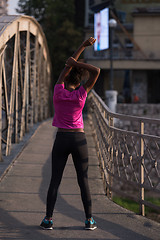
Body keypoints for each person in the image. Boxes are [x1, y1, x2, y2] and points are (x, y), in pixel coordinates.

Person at [40, 37, 100, 231]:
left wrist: (81, 47)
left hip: (62, 138)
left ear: (65, 78)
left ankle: (48, 219)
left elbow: (67, 65)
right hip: (79, 139)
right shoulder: (82, 94)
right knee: (83, 181)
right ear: (79, 80)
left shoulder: (58, 91)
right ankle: (89, 220)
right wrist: (78, 63)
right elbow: (96, 71)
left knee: (55, 180)